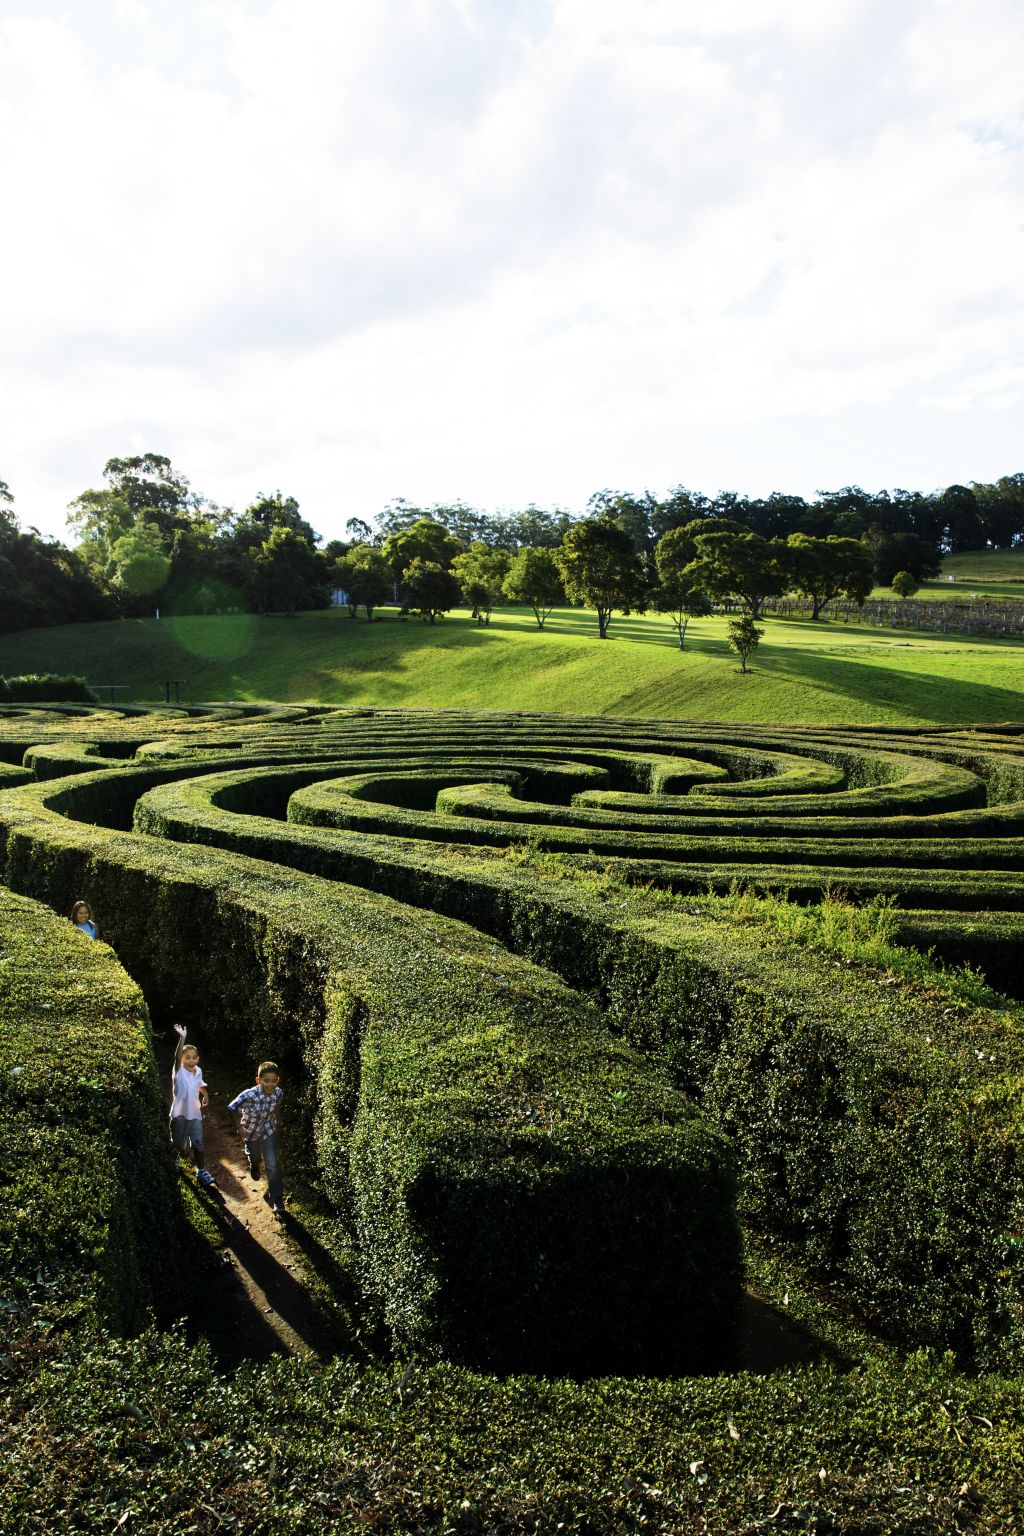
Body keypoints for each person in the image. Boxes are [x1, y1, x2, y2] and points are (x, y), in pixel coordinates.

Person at [228, 1061, 286, 1216]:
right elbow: (231, 1108)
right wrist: (240, 1128)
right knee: (255, 1158)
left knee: (272, 1163)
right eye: (266, 1081)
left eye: (274, 1081)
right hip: (251, 1132)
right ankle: (253, 1163)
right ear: (258, 1080)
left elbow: (276, 1106)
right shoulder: (249, 1095)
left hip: (268, 1129)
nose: (270, 1085)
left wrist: (278, 1119)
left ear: (278, 1081)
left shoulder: (278, 1092)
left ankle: (277, 1198)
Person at [170, 1023, 216, 1188]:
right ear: (181, 1060)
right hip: (180, 1115)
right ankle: (174, 1159)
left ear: (198, 1059)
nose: (191, 1060)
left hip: (195, 1114)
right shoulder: (179, 1072)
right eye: (187, 1057)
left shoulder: (198, 1071)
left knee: (198, 1144)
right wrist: (182, 1039)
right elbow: (176, 1057)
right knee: (178, 1145)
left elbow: (199, 1084)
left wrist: (205, 1094)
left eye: (193, 1057)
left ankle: (201, 1170)